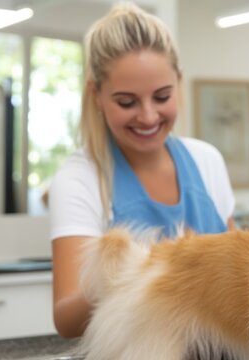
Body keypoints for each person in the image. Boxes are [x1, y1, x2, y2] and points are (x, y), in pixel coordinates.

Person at [49, 2, 235, 338]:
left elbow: (237, 273)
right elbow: (66, 319)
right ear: (96, 94)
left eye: (162, 97)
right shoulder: (80, 179)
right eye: (127, 102)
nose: (148, 117)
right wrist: (137, 269)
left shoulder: (207, 161)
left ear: (178, 82)